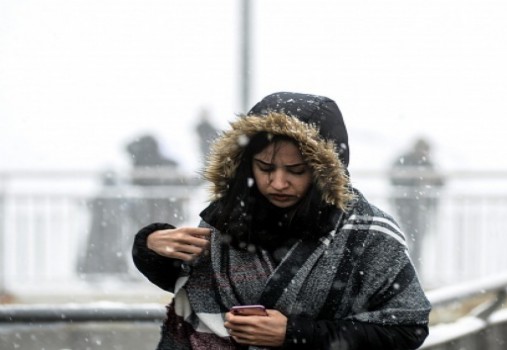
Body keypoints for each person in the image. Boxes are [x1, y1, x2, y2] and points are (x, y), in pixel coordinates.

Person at [132, 92, 431, 349]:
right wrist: (150, 246)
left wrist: (295, 334)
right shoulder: (228, 218)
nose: (278, 183)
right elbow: (195, 285)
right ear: (245, 163)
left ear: (323, 171)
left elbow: (407, 326)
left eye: (296, 170)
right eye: (265, 167)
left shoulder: (369, 234)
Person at [390, 138, 443, 272]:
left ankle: (412, 271)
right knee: (408, 239)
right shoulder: (406, 161)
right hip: (407, 208)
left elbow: (441, 181)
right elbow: (394, 178)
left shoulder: (427, 164)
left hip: (421, 209)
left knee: (416, 241)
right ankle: (408, 270)